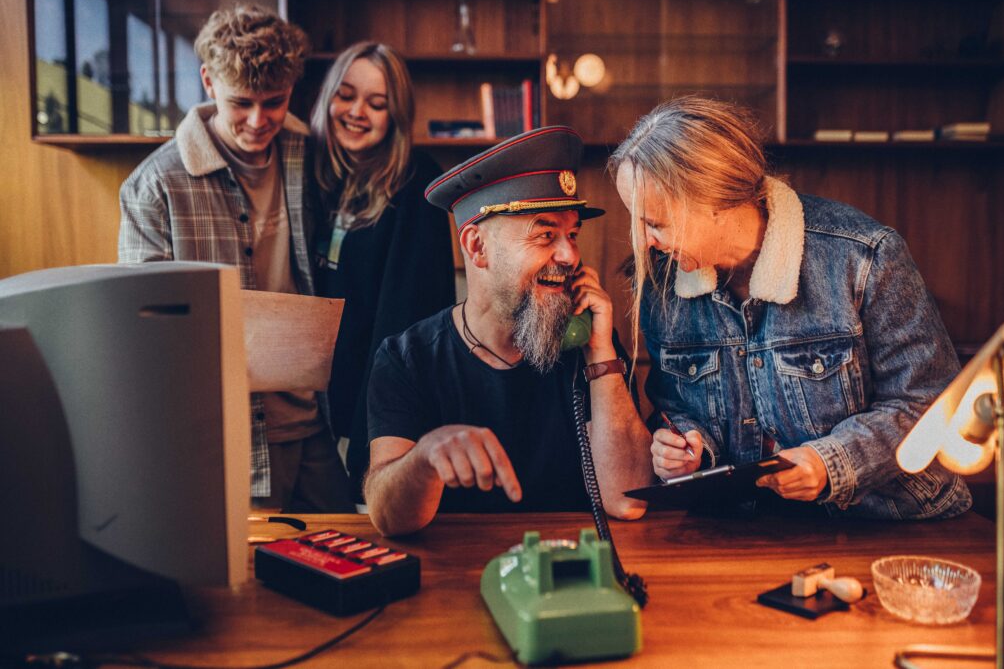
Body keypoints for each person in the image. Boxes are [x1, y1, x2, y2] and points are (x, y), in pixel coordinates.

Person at [609, 96, 971, 520]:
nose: (643, 241)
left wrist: (830, 462)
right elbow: (677, 407)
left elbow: (930, 402)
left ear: (716, 201)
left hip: (892, 523)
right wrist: (686, 445)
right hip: (753, 529)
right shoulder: (661, 283)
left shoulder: (864, 256)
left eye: (654, 223)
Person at [118, 4, 352, 512]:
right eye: (240, 102)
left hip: (316, 420)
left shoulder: (306, 149)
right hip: (227, 437)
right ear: (207, 80)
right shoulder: (154, 186)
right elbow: (145, 335)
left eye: (275, 102)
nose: (258, 120)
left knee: (352, 550)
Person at [363, 126, 652, 536]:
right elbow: (389, 518)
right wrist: (424, 458)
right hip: (456, 576)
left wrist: (602, 354)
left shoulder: (589, 346)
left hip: (569, 571)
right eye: (545, 234)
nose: (570, 255)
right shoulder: (407, 360)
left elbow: (628, 500)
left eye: (572, 234)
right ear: (477, 247)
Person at [307, 42, 454, 505]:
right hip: (314, 405)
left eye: (376, 103)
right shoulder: (320, 176)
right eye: (345, 96)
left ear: (396, 114)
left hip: (371, 413)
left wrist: (368, 436)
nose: (356, 112)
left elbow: (404, 324)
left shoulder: (415, 182)